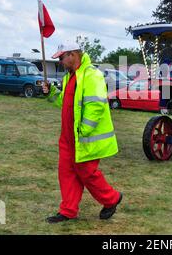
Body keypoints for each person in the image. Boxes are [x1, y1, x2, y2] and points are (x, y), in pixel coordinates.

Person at [42, 42, 122, 224]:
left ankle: (112, 199)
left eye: (62, 57)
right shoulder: (69, 77)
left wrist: (83, 130)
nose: (61, 61)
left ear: (73, 55)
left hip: (84, 138)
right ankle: (68, 211)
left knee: (86, 172)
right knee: (66, 172)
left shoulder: (91, 75)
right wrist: (51, 93)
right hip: (68, 138)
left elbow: (96, 105)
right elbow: (65, 102)